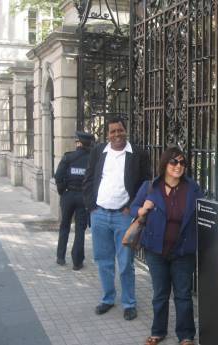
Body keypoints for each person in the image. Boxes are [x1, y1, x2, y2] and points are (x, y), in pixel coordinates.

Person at [130, 147, 203, 345]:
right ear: (164, 165)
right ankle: (158, 331)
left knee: (183, 295)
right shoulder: (150, 187)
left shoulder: (193, 188)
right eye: (174, 162)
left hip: (183, 251)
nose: (178, 166)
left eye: (182, 163)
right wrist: (142, 209)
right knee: (160, 294)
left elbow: (203, 215)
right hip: (155, 250)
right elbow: (133, 209)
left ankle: (186, 336)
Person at [83, 116, 150, 320]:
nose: (117, 135)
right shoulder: (98, 152)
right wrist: (91, 207)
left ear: (125, 130)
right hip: (99, 214)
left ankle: (129, 303)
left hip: (123, 216)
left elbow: (146, 184)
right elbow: (89, 179)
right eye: (112, 131)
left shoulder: (138, 154)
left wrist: (131, 208)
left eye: (120, 130)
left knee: (125, 262)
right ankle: (108, 298)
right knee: (103, 260)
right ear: (107, 134)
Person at [55, 130, 95, 270]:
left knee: (64, 225)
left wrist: (63, 192)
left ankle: (60, 257)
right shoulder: (92, 160)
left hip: (69, 195)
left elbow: (58, 176)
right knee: (80, 229)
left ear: (78, 142)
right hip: (83, 197)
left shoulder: (69, 157)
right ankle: (77, 262)